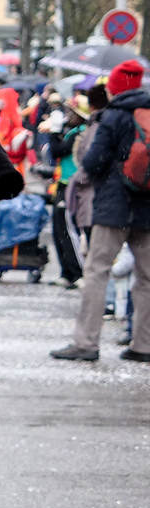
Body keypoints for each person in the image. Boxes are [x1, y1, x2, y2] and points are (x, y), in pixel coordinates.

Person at [53, 58, 150, 362]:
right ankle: (143, 345)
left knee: (97, 272)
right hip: (147, 208)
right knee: (147, 278)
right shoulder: (146, 114)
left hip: (112, 207)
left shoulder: (112, 116)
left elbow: (92, 162)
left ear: (114, 88)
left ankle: (87, 343)